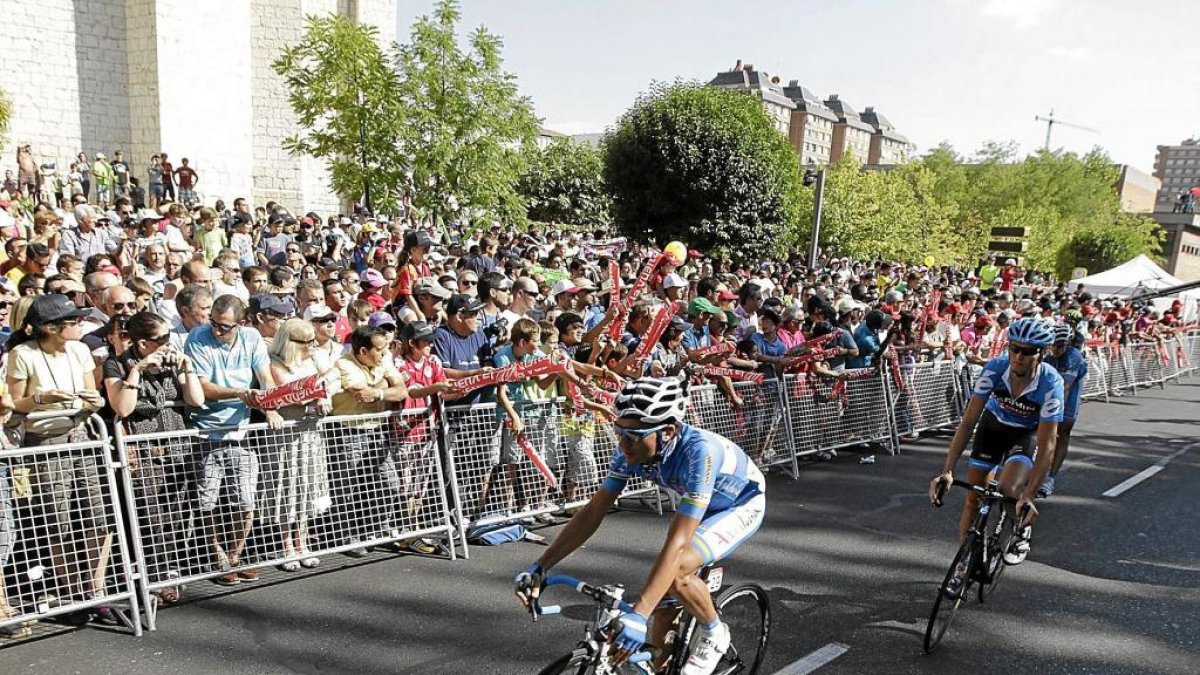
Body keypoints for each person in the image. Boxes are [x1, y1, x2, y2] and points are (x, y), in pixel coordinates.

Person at [515, 377, 766, 675]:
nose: (623, 443)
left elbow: (677, 542)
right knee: (660, 631)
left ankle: (714, 633)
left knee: (677, 572)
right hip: (698, 501)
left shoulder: (699, 453)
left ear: (668, 431)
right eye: (619, 431)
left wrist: (638, 614)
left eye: (634, 436)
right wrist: (541, 566)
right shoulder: (629, 449)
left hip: (739, 504)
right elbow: (593, 511)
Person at [927, 318, 1062, 577]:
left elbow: (1047, 445)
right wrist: (947, 470)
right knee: (973, 498)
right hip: (992, 427)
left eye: (1028, 351)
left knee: (1008, 489)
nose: (1019, 356)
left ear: (1041, 354)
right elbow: (967, 423)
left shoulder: (1050, 384)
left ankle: (1021, 529)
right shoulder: (995, 368)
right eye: (1014, 348)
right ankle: (963, 564)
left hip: (1023, 434)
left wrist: (1030, 494)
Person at [103, 311, 204, 604]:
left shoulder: (173, 361)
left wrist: (186, 367)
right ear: (144, 343)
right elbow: (122, 408)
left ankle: (169, 571)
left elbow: (196, 400)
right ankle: (150, 577)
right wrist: (137, 371)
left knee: (175, 514)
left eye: (169, 336)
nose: (169, 343)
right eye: (162, 339)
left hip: (177, 446)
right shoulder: (118, 363)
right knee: (150, 517)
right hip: (144, 451)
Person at [184, 294, 284, 586]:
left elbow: (265, 377)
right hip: (207, 429)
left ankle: (235, 555)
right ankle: (218, 558)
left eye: (224, 326)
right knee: (208, 501)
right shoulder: (197, 337)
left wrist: (269, 405)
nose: (216, 330)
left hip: (241, 432)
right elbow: (204, 387)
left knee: (245, 499)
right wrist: (241, 393)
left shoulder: (251, 337)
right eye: (213, 322)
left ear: (241, 323)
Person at [265, 318, 330, 571]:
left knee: (307, 486)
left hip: (311, 432)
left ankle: (302, 542)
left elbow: (324, 383)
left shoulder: (313, 360)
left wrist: (322, 398)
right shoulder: (276, 364)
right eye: (306, 342)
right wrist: (312, 398)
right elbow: (284, 392)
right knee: (287, 485)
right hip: (286, 436)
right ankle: (286, 546)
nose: (311, 346)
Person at [1039, 323, 1087, 497]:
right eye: (1053, 345)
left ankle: (1050, 477)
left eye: (1060, 346)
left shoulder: (1074, 357)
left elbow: (1065, 387)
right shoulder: (1048, 354)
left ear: (1068, 344)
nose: (1055, 349)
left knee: (1062, 433)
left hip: (1068, 400)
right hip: (1049, 396)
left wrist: (1054, 413)